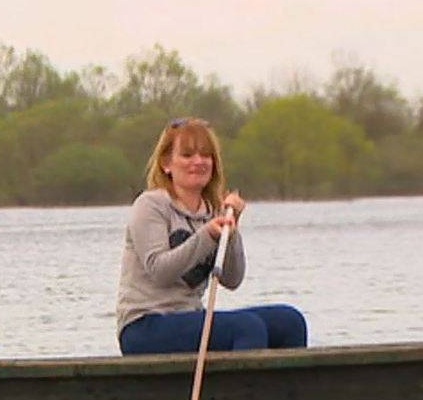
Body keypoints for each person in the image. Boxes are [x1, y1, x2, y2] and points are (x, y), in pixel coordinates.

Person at [115, 117, 307, 355]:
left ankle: (284, 391)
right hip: (145, 326)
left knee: (289, 321)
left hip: (191, 317)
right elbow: (160, 271)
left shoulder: (212, 210)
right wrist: (207, 236)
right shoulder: (150, 205)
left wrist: (231, 229)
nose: (198, 162)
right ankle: (240, 392)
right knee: (246, 328)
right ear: (167, 163)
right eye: (187, 155)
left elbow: (232, 279)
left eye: (206, 156)